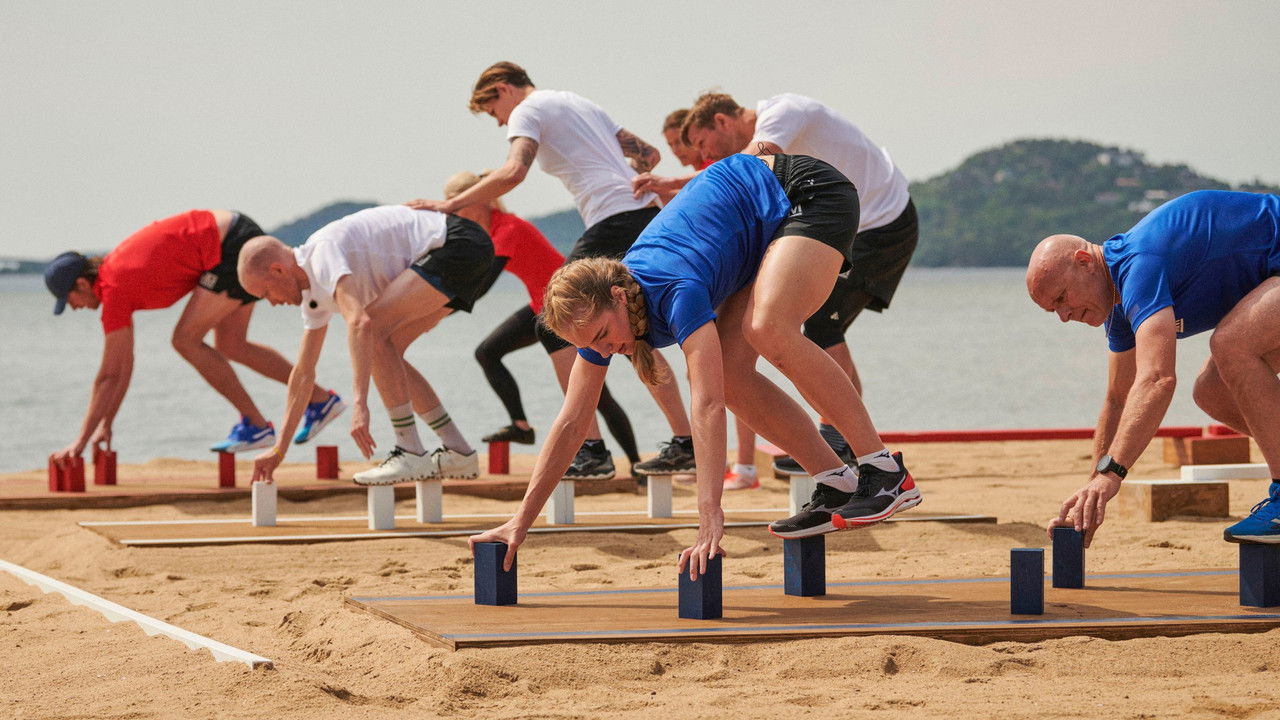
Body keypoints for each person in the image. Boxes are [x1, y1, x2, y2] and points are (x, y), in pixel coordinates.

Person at [470, 153, 922, 578]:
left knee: (767, 328)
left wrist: (709, 518)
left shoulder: (674, 288)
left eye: (604, 338)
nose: (604, 352)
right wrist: (520, 521)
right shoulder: (605, 323)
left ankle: (883, 471)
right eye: (593, 346)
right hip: (754, 227)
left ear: (618, 297)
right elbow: (571, 422)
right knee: (732, 375)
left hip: (805, 194)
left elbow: (705, 405)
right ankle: (836, 481)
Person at [405, 61, 695, 478]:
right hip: (642, 213)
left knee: (553, 320)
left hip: (613, 218)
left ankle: (593, 450)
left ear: (504, 90)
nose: (500, 121)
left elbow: (513, 171)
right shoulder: (578, 102)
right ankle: (682, 441)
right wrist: (640, 178)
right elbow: (648, 153)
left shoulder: (528, 109)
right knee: (636, 330)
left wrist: (449, 205)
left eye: (493, 112)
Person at [634, 92, 918, 478]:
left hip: (881, 220)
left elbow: (748, 161)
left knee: (816, 326)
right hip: (837, 218)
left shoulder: (783, 111)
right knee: (773, 338)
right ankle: (837, 457)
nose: (701, 153)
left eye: (701, 143)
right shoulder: (767, 130)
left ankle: (854, 448)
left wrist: (676, 183)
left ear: (722, 121)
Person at [1027, 190, 1280, 546]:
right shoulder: (1117, 306)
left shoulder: (1138, 265)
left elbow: (1157, 379)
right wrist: (1092, 492)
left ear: (1085, 261)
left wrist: (1112, 475)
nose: (1064, 316)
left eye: (1061, 299)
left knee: (1230, 346)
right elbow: (1118, 398)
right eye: (1053, 311)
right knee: (1212, 391)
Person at [44, 210, 345, 466]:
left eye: (68, 299)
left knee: (185, 340)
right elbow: (122, 367)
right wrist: (106, 424)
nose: (72, 307)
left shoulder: (114, 290)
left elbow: (109, 375)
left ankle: (256, 424)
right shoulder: (115, 279)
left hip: (228, 247)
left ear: (83, 284)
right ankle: (320, 401)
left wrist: (80, 441)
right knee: (231, 345)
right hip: (232, 236)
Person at [237, 204, 494, 485]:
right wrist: (278, 450)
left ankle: (410, 450)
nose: (272, 303)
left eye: (265, 294)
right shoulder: (314, 295)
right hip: (467, 253)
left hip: (459, 244)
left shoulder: (322, 252)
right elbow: (303, 374)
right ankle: (458, 452)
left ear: (277, 270)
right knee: (388, 349)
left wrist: (360, 403)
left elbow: (360, 323)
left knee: (375, 334)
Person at [447, 171, 642, 479]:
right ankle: (521, 427)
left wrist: (432, 314)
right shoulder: (492, 232)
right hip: (541, 309)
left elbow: (481, 285)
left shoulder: (508, 227)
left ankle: (632, 464)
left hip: (567, 311)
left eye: (456, 207)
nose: (454, 214)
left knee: (596, 395)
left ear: (480, 200)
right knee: (487, 352)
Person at [659, 108, 759, 490]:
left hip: (725, 274)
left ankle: (745, 466)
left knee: (730, 374)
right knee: (707, 375)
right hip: (708, 277)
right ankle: (721, 463)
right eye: (672, 146)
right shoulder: (695, 174)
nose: (680, 152)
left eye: (683, 144)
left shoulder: (712, 169)